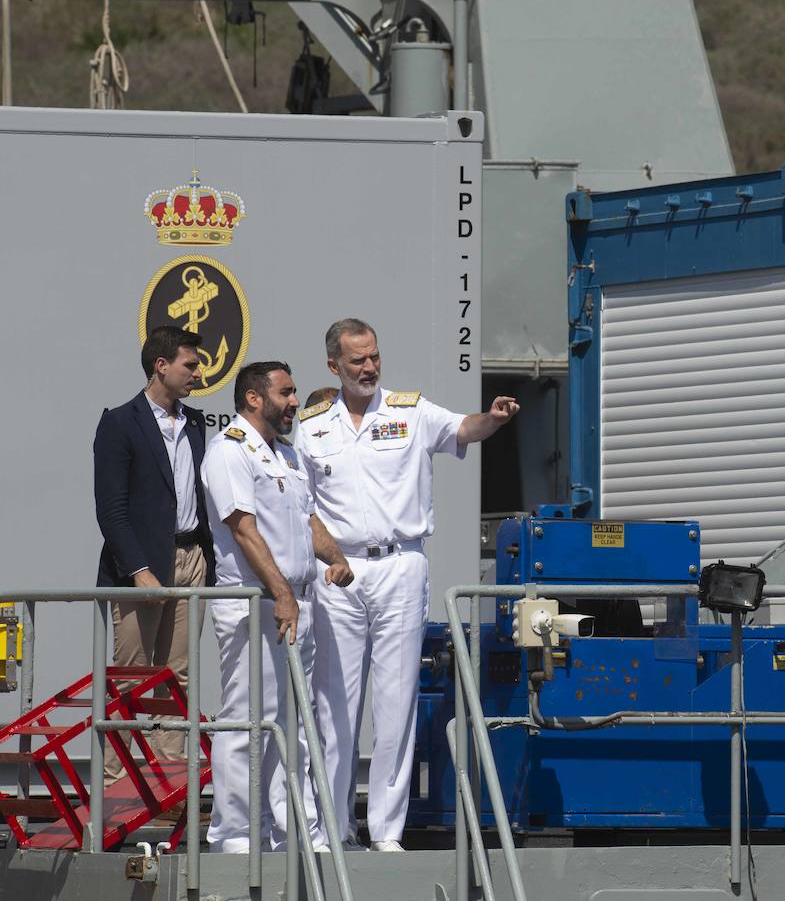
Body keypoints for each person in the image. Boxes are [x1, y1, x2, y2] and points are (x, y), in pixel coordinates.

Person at [296, 318, 518, 851]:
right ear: (334, 366)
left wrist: (493, 417)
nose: (370, 367)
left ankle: (387, 832)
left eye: (374, 356)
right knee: (336, 706)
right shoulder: (311, 427)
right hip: (338, 570)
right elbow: (301, 508)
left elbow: (463, 429)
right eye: (357, 361)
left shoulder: (409, 410)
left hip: (400, 564)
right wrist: (325, 556)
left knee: (396, 703)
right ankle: (333, 828)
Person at [201, 361, 354, 853]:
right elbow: (243, 529)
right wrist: (281, 595)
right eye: (287, 393)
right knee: (248, 723)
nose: (295, 402)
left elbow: (307, 520)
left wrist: (337, 558)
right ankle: (235, 837)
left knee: (294, 727)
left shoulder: (284, 455)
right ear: (253, 398)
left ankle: (296, 834)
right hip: (255, 605)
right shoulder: (229, 451)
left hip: (295, 607)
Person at [94, 325, 217, 790]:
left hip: (190, 559)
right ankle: (115, 789)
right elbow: (111, 509)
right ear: (160, 366)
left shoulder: (196, 424)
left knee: (178, 679)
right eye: (191, 364)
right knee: (132, 679)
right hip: (140, 567)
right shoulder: (120, 423)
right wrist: (139, 570)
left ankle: (167, 789)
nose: (198, 373)